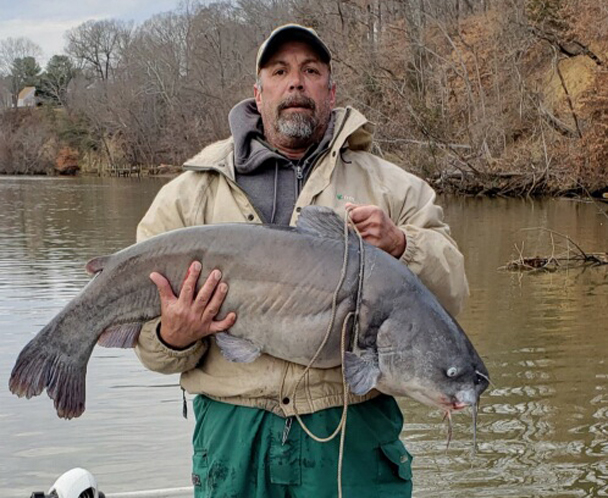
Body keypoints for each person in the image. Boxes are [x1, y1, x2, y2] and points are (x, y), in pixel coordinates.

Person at [135, 24, 469, 498]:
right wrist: (173, 335)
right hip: (233, 436)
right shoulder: (190, 196)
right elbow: (149, 349)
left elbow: (453, 294)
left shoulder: (395, 189)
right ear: (258, 91)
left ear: (330, 91)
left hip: (353, 439)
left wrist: (401, 244)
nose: (296, 82)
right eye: (280, 70)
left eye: (311, 71)